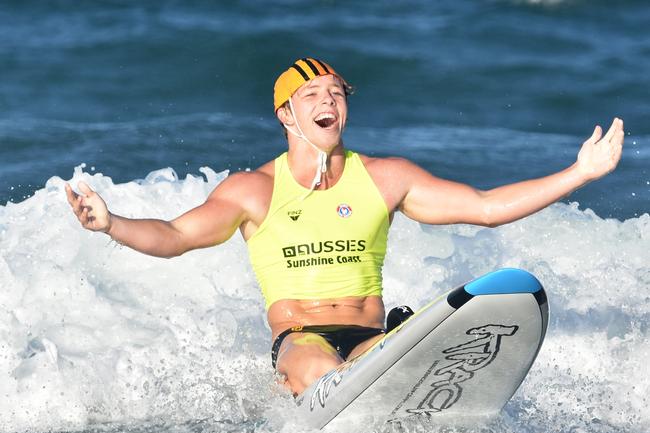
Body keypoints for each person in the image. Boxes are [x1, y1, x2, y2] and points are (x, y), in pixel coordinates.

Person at [66, 57, 624, 395]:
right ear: (287, 114)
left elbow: (483, 205)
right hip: (302, 338)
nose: (328, 100)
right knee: (317, 367)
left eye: (337, 92)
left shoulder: (385, 178)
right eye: (312, 94)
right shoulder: (253, 190)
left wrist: (578, 173)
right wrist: (111, 223)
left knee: (375, 363)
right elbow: (176, 236)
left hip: (370, 339)